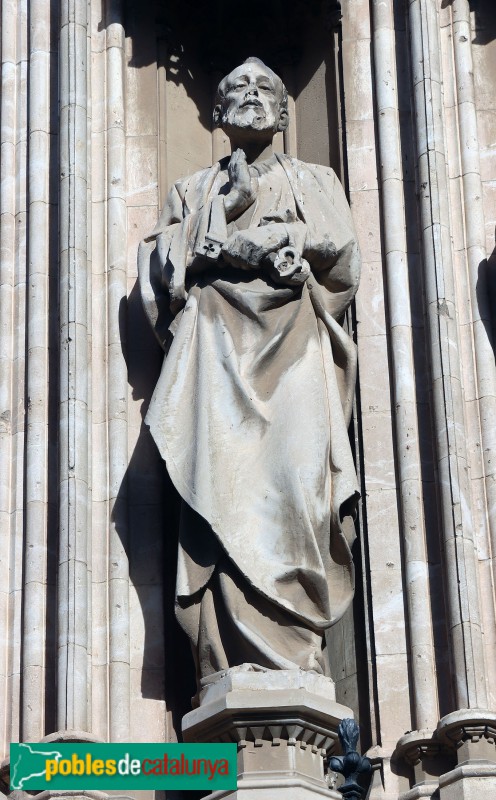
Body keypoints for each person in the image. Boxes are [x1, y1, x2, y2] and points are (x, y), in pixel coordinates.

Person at [138, 57, 360, 687]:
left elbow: (341, 252)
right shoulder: (193, 189)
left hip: (296, 356)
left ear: (288, 111)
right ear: (216, 113)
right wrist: (225, 213)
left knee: (295, 491)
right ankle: (227, 665)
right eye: (239, 88)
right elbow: (165, 268)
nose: (254, 97)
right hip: (217, 359)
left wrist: (285, 244)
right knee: (221, 494)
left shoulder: (315, 179)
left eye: (268, 89)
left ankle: (298, 659)